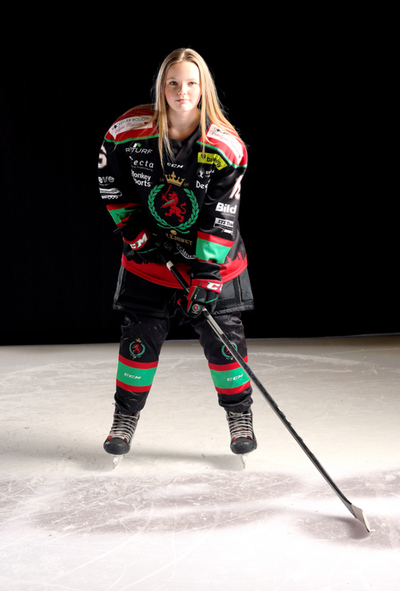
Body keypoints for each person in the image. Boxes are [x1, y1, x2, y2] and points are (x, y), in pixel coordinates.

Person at [98, 48, 257, 460]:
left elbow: (220, 214)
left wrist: (207, 275)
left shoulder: (225, 146)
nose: (181, 91)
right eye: (173, 83)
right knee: (138, 339)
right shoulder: (127, 132)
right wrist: (135, 234)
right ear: (161, 87)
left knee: (225, 341)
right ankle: (124, 418)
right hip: (151, 260)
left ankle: (239, 415)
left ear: (203, 88)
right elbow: (110, 182)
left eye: (190, 83)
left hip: (212, 261)